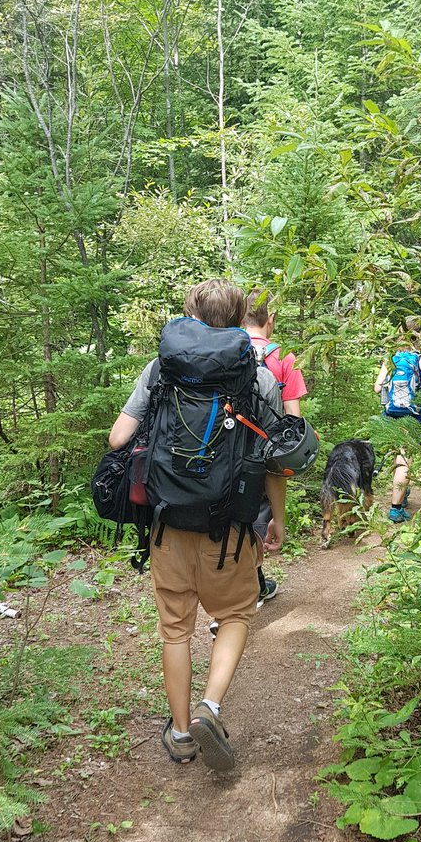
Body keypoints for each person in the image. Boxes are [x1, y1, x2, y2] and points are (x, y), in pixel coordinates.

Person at [108, 280, 286, 771]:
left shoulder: (161, 368)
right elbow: (273, 461)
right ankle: (211, 706)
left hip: (168, 524)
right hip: (230, 529)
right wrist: (277, 521)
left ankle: (182, 733)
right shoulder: (257, 375)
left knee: (175, 630)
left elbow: (118, 436)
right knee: (235, 616)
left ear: (189, 313)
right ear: (241, 316)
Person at [242, 290, 308, 603]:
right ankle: (249, 585)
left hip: (226, 451)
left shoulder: (224, 352)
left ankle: (250, 582)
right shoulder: (284, 357)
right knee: (260, 516)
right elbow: (293, 421)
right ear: (271, 320)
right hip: (264, 455)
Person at [373, 317, 421, 522]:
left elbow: (377, 387)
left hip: (391, 415)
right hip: (413, 417)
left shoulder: (391, 357)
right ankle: (395, 509)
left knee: (397, 458)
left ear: (400, 334)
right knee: (404, 461)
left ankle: (401, 496)